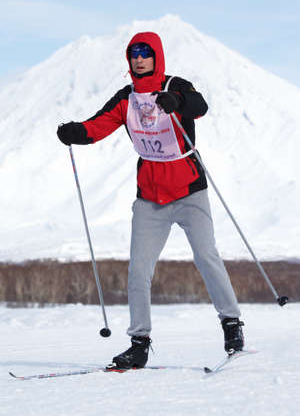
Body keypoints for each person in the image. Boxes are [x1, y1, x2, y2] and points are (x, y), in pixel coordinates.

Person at [57, 31, 244, 370]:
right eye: (133, 53)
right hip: (150, 198)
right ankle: (139, 343)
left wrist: (178, 102)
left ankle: (232, 325)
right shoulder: (126, 98)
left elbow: (199, 105)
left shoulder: (176, 84)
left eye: (145, 52)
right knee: (139, 271)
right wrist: (76, 133)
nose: (139, 58)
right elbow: (98, 125)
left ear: (157, 55)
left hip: (189, 190)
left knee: (206, 256)